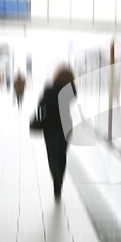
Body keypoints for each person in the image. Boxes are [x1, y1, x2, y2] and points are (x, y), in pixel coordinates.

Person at [36, 64, 77, 196]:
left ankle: (56, 180)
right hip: (66, 127)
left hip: (50, 126)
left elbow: (41, 105)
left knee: (52, 156)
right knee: (62, 155)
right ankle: (60, 182)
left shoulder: (49, 89)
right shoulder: (72, 89)